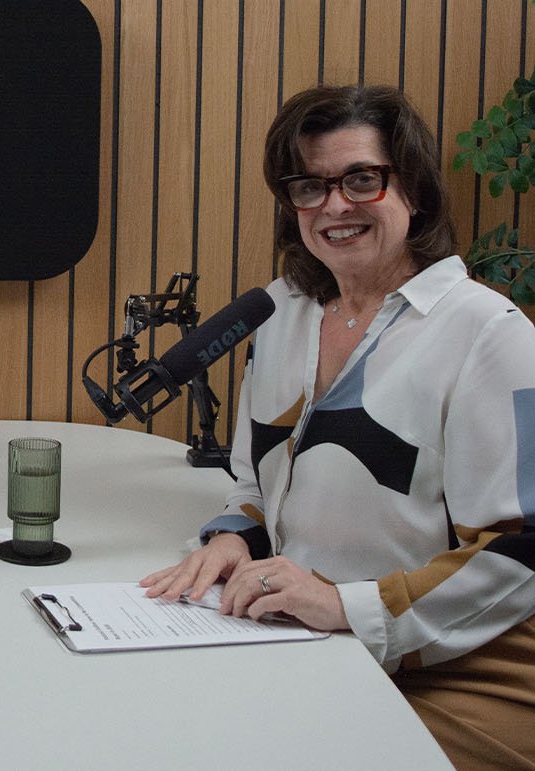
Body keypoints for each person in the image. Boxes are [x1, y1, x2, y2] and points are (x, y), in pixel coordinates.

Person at [140, 84, 535, 768]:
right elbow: (254, 483)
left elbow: (524, 551)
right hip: (318, 642)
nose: (334, 206)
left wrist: (347, 607)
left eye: (360, 179)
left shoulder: (488, 333)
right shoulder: (285, 316)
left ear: (412, 187)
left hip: (467, 670)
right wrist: (236, 538)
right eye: (309, 186)